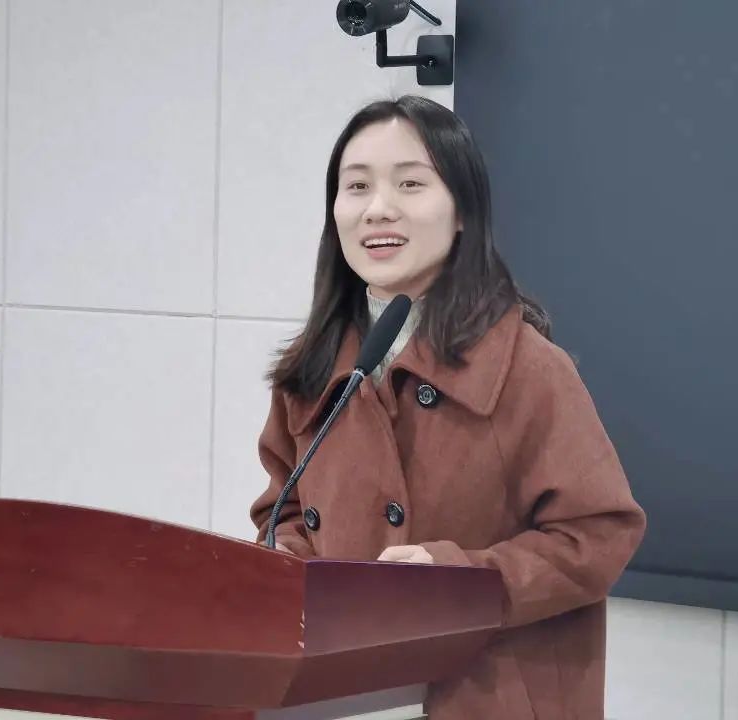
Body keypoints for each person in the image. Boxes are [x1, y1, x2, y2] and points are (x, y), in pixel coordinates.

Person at [249, 94, 646, 720]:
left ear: (462, 210)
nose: (378, 208)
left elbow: (598, 535)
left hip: (484, 697)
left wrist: (459, 578)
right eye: (357, 187)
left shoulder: (528, 367)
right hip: (341, 694)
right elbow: (284, 511)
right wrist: (290, 566)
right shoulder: (313, 367)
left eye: (410, 183)